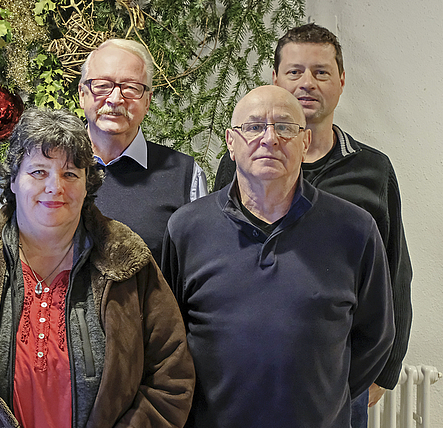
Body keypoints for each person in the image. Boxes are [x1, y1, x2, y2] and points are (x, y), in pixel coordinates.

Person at [0, 108, 195, 427]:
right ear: (14, 179)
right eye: (39, 172)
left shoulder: (125, 257)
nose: (55, 187)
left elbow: (171, 376)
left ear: (88, 184)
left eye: (70, 173)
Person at [213, 24, 412, 426]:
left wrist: (384, 373)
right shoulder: (238, 165)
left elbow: (394, 272)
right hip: (243, 381)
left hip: (338, 378)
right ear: (275, 80)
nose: (307, 82)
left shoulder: (372, 170)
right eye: (294, 71)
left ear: (341, 82)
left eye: (321, 72)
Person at [162, 86, 394, 427]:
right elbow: (168, 336)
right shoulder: (187, 229)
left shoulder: (354, 229)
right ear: (230, 141)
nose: (269, 138)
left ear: (304, 142)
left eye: (285, 127)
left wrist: (324, 396)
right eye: (254, 127)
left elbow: (376, 336)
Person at [78, 39, 207, 261]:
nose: (115, 99)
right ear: (82, 94)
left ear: (147, 101)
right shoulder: (54, 170)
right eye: (102, 85)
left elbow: (200, 268)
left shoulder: (185, 176)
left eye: (130, 88)